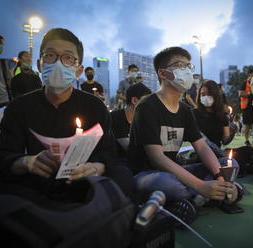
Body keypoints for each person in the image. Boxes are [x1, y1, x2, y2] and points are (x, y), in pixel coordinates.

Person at [0, 28, 134, 202]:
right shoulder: (18, 108)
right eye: (50, 55)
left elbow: (108, 153)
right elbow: (5, 155)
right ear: (40, 65)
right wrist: (27, 162)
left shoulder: (95, 107)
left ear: (78, 71)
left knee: (123, 176)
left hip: (82, 183)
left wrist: (95, 167)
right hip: (35, 184)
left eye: (68, 58)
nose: (58, 63)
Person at [128, 47, 243, 211]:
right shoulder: (147, 106)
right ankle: (207, 195)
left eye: (189, 66)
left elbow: (202, 146)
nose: (188, 71)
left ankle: (198, 197)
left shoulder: (185, 111)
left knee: (229, 164)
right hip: (148, 174)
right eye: (180, 65)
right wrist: (200, 185)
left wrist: (219, 176)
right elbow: (157, 158)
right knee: (168, 185)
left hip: (176, 171)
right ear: (163, 73)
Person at [111, 83, 151, 160]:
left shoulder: (144, 121)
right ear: (134, 100)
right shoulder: (115, 118)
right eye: (146, 101)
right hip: (116, 162)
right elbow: (130, 148)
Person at [193, 80, 230, 148]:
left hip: (216, 153)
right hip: (198, 153)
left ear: (215, 95)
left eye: (209, 94)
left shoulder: (222, 115)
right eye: (203, 94)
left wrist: (231, 133)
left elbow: (225, 140)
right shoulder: (194, 114)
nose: (206, 97)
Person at [239, 67, 253, 146]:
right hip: (246, 107)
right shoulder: (245, 83)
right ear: (250, 74)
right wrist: (249, 94)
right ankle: (246, 140)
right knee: (247, 125)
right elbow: (240, 94)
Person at [0, 35, 12, 107]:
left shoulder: (3, 63)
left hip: (4, 101)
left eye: (2, 44)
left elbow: (9, 82)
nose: (1, 46)